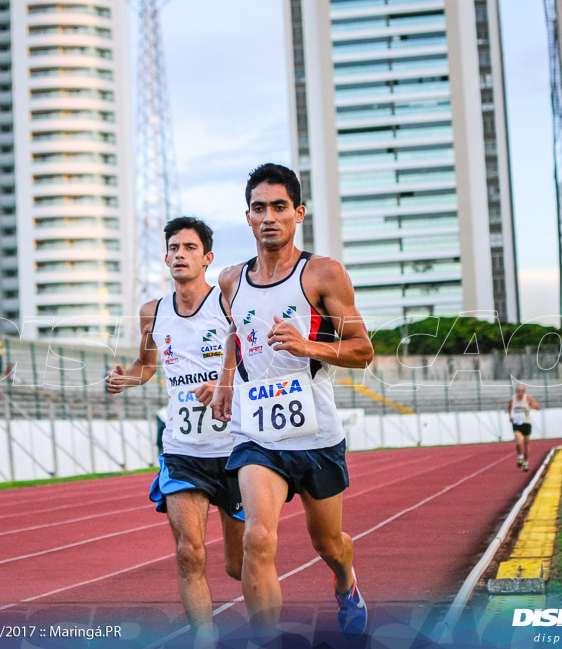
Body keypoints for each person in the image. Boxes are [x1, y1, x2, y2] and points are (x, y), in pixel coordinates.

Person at [210, 164, 374, 642]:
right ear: (247, 216)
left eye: (279, 207)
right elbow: (236, 335)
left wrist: (310, 347)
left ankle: (346, 581)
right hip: (256, 433)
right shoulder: (229, 281)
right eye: (259, 208)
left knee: (329, 544)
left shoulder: (323, 273)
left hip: (316, 432)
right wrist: (224, 381)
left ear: (298, 213)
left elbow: (364, 351)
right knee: (258, 541)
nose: (269, 218)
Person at [106, 216, 244, 648]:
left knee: (240, 566)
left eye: (189, 248)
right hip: (182, 449)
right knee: (190, 552)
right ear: (165, 256)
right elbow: (146, 365)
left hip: (237, 448)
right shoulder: (153, 312)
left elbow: (254, 360)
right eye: (173, 248)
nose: (179, 255)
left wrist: (226, 385)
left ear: (208, 257)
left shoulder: (229, 304)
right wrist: (126, 379)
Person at [507, 384, 541, 472]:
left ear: (524, 392)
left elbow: (536, 406)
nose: (520, 393)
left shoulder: (528, 398)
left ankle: (525, 462)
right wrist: (510, 416)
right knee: (519, 442)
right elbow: (509, 407)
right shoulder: (512, 399)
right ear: (516, 391)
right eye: (518, 391)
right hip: (516, 423)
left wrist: (536, 407)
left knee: (526, 444)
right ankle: (520, 456)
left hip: (526, 423)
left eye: (521, 391)